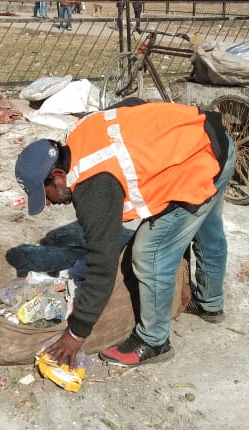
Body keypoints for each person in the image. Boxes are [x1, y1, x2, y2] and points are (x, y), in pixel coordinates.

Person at [14, 102, 235, 369]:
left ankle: (154, 341)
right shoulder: (82, 131)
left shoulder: (94, 187)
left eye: (45, 194)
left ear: (58, 174)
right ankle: (210, 304)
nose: (48, 203)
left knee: (149, 253)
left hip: (197, 162)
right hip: (210, 140)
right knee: (208, 230)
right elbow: (133, 106)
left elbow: (103, 266)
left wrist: (75, 334)